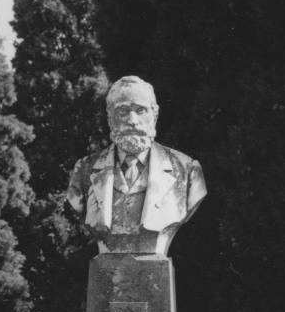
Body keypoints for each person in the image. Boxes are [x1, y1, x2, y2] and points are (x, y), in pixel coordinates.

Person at [67, 76, 206, 256]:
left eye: (140, 110)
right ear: (110, 119)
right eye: (123, 111)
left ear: (154, 116)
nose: (132, 120)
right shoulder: (84, 170)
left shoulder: (188, 170)